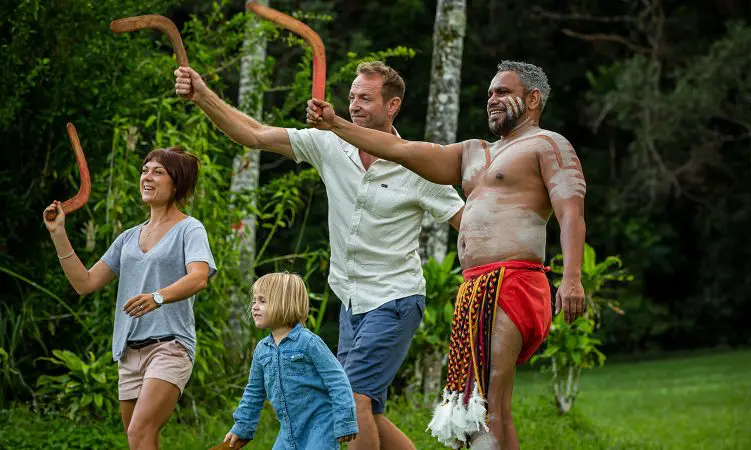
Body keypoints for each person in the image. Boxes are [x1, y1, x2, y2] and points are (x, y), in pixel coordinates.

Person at [175, 61, 465, 449]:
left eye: (365, 98)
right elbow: (255, 134)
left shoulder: (416, 164)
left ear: (392, 105)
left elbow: (470, 224)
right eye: (351, 97)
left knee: (354, 398)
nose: (355, 105)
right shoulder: (331, 145)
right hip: (350, 301)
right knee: (367, 408)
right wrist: (202, 94)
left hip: (395, 299)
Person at [305, 60, 587, 449]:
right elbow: (400, 149)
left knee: (490, 404)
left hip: (514, 281)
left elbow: (570, 212)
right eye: (490, 92)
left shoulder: (547, 145)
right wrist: (336, 124)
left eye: (503, 92)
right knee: (474, 405)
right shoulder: (473, 153)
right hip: (475, 288)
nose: (492, 99)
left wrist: (572, 277)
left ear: (534, 98)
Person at [43, 146, 217, 450]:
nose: (147, 176)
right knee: (139, 441)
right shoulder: (127, 238)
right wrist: (58, 233)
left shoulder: (190, 229)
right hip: (129, 353)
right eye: (144, 170)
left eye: (157, 172)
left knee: (139, 430)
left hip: (170, 347)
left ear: (177, 183)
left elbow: (199, 276)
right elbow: (85, 283)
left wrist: (158, 297)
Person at [223, 272, 358, 449]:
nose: (254, 306)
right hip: (288, 431)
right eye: (254, 301)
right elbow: (254, 392)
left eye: (262, 301)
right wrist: (242, 427)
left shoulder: (309, 343)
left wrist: (344, 421)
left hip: (320, 426)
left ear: (284, 303)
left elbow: (337, 380)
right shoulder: (262, 350)